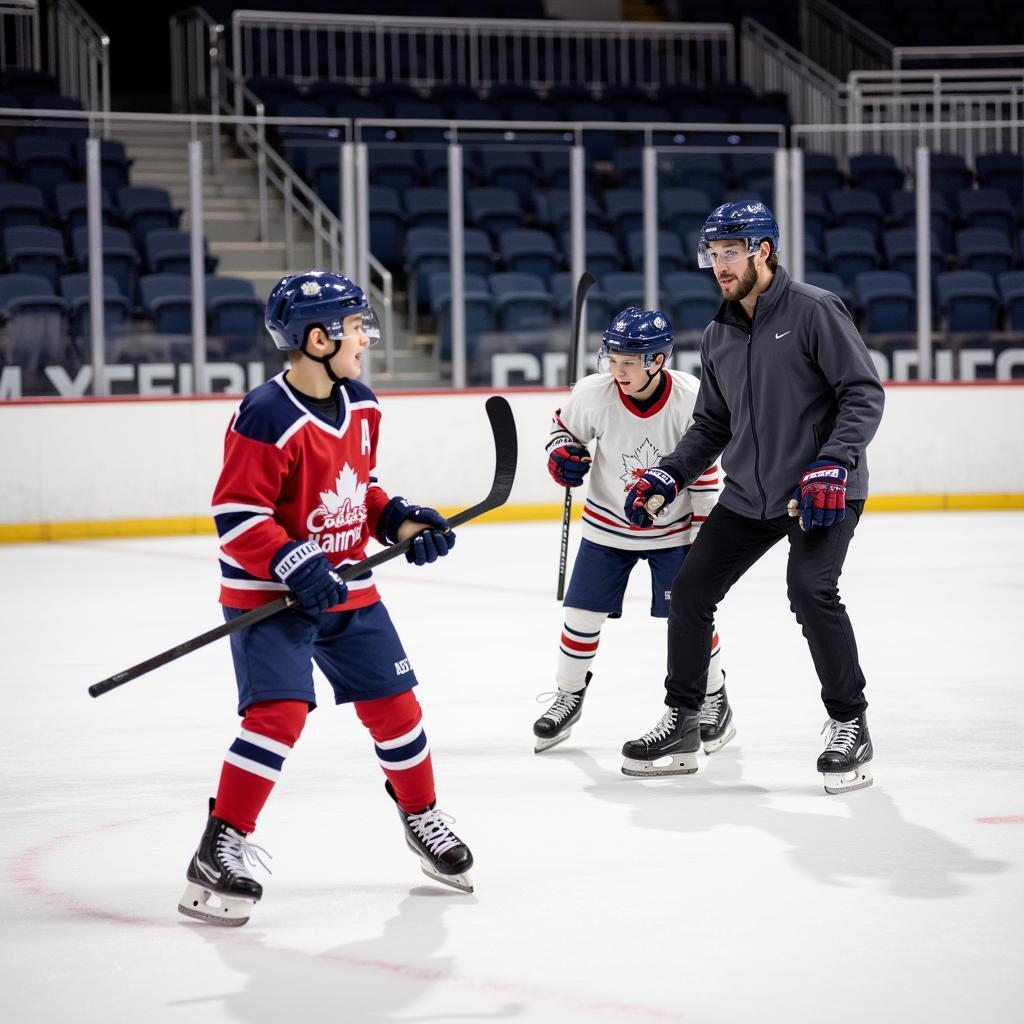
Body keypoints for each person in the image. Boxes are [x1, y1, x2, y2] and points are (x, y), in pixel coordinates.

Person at [179, 270, 473, 928]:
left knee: (397, 709)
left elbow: (358, 489)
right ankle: (217, 846)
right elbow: (237, 513)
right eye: (356, 327)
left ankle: (422, 817)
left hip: (349, 590)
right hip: (271, 599)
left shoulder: (363, 405)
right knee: (278, 716)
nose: (366, 338)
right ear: (319, 338)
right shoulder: (266, 414)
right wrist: (293, 559)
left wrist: (400, 522)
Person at [621, 200, 885, 794]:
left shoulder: (814, 311)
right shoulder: (717, 334)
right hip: (749, 493)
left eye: (731, 252)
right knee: (688, 589)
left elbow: (863, 394)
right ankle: (686, 720)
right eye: (712, 255)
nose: (720, 265)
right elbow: (713, 425)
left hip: (823, 489)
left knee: (811, 589)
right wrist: (670, 474)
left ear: (764, 250)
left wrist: (832, 464)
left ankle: (850, 722)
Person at [535, 307, 732, 757]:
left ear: (657, 361)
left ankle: (714, 698)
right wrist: (562, 453)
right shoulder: (593, 392)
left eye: (628, 362)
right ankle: (569, 695)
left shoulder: (689, 397)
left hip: (673, 532)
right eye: (612, 358)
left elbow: (702, 474)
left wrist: (703, 537)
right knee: (581, 615)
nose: (616, 370)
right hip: (607, 525)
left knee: (690, 621)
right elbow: (562, 428)